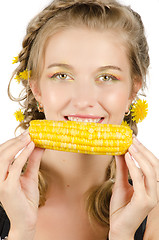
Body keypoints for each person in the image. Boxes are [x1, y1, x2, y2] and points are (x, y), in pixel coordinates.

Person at [0, 0, 158, 239]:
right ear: (36, 88)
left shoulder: (153, 209)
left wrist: (123, 234)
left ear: (133, 90)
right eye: (62, 75)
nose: (84, 100)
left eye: (107, 77)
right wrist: (21, 231)